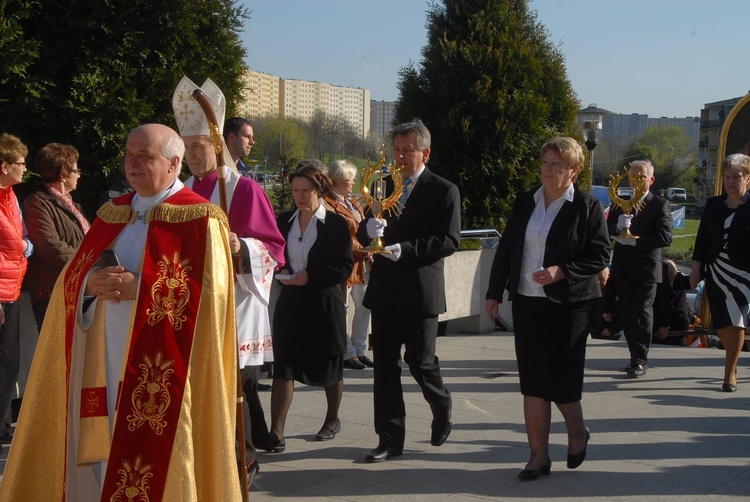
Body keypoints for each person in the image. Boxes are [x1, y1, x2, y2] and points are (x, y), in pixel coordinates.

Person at [0, 124, 243, 500]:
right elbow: (73, 277)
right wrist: (87, 287)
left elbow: (214, 296)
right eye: (130, 155)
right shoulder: (113, 213)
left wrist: (143, 289)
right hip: (105, 357)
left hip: (165, 368)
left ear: (174, 162)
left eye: (145, 156)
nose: (133, 163)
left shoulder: (199, 218)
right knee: (104, 440)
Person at [173, 76, 286, 477]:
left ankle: (243, 459)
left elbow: (274, 249)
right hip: (193, 305)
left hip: (235, 305)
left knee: (235, 389)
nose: (191, 155)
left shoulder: (244, 190)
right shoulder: (180, 192)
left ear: (217, 145)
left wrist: (243, 248)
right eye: (185, 147)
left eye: (198, 146)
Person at [485, 136, 610, 481]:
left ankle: (577, 431)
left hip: (571, 304)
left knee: (562, 382)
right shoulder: (527, 200)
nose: (548, 169)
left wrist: (562, 271)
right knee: (534, 383)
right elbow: (508, 248)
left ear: (574, 170)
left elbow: (600, 255)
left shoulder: (586, 206)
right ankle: (538, 456)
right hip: (527, 302)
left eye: (556, 164)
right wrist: (494, 292)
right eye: (545, 162)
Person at [357, 119, 460, 463]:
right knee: (384, 366)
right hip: (386, 289)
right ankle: (389, 438)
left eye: (408, 150)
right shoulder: (382, 185)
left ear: (425, 153)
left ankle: (441, 402)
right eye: (396, 150)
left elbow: (449, 240)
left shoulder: (444, 189)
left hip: (420, 290)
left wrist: (408, 249)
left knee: (419, 361)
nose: (400, 157)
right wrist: (368, 228)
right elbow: (363, 233)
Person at [270, 160, 353, 449]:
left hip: (323, 302)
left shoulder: (335, 225)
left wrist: (310, 275)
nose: (299, 196)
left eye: (306, 190)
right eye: (295, 190)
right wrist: (278, 271)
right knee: (284, 365)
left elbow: (343, 267)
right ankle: (276, 432)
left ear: (319, 190)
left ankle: (332, 419)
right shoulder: (283, 222)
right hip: (290, 302)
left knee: (330, 361)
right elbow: (271, 254)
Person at [690, 153, 750, 392]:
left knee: (737, 322)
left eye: (736, 177)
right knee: (723, 324)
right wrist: (696, 269)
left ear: (748, 178)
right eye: (728, 177)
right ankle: (732, 361)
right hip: (716, 271)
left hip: (744, 275)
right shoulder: (714, 205)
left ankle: (729, 373)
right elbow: (702, 239)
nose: (731, 181)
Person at [607, 160, 673, 378]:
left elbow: (665, 237)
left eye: (641, 177)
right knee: (626, 314)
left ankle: (641, 360)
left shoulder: (660, 204)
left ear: (651, 180)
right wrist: (618, 226)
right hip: (623, 268)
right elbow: (607, 231)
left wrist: (636, 241)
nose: (636, 181)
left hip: (646, 268)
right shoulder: (619, 203)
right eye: (632, 177)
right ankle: (633, 356)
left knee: (642, 313)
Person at [22, 143, 90, 330]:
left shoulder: (72, 205)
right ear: (63, 173)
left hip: (78, 288)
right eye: (76, 169)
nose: (79, 174)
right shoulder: (37, 202)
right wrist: (86, 264)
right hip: (53, 292)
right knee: (57, 356)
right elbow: (49, 246)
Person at [323, 159, 374, 370]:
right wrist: (362, 249)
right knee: (342, 308)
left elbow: (365, 229)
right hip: (346, 262)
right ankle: (347, 352)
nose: (353, 183)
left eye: (353, 179)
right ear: (335, 181)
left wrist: (371, 247)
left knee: (364, 307)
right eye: (348, 180)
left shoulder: (353, 202)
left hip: (363, 262)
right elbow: (338, 234)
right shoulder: (327, 202)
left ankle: (360, 349)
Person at [0, 133, 33, 449]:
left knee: (9, 362)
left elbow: (22, 238)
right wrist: (25, 245)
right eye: (21, 163)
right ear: (4, 165)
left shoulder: (9, 195)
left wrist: (25, 245)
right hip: (1, 289)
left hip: (11, 287)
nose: (25, 169)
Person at [652, 259, 693, 346]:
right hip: (659, 331)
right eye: (667, 274)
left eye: (671, 273)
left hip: (679, 331)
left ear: (676, 273)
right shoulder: (656, 288)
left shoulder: (680, 285)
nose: (669, 277)